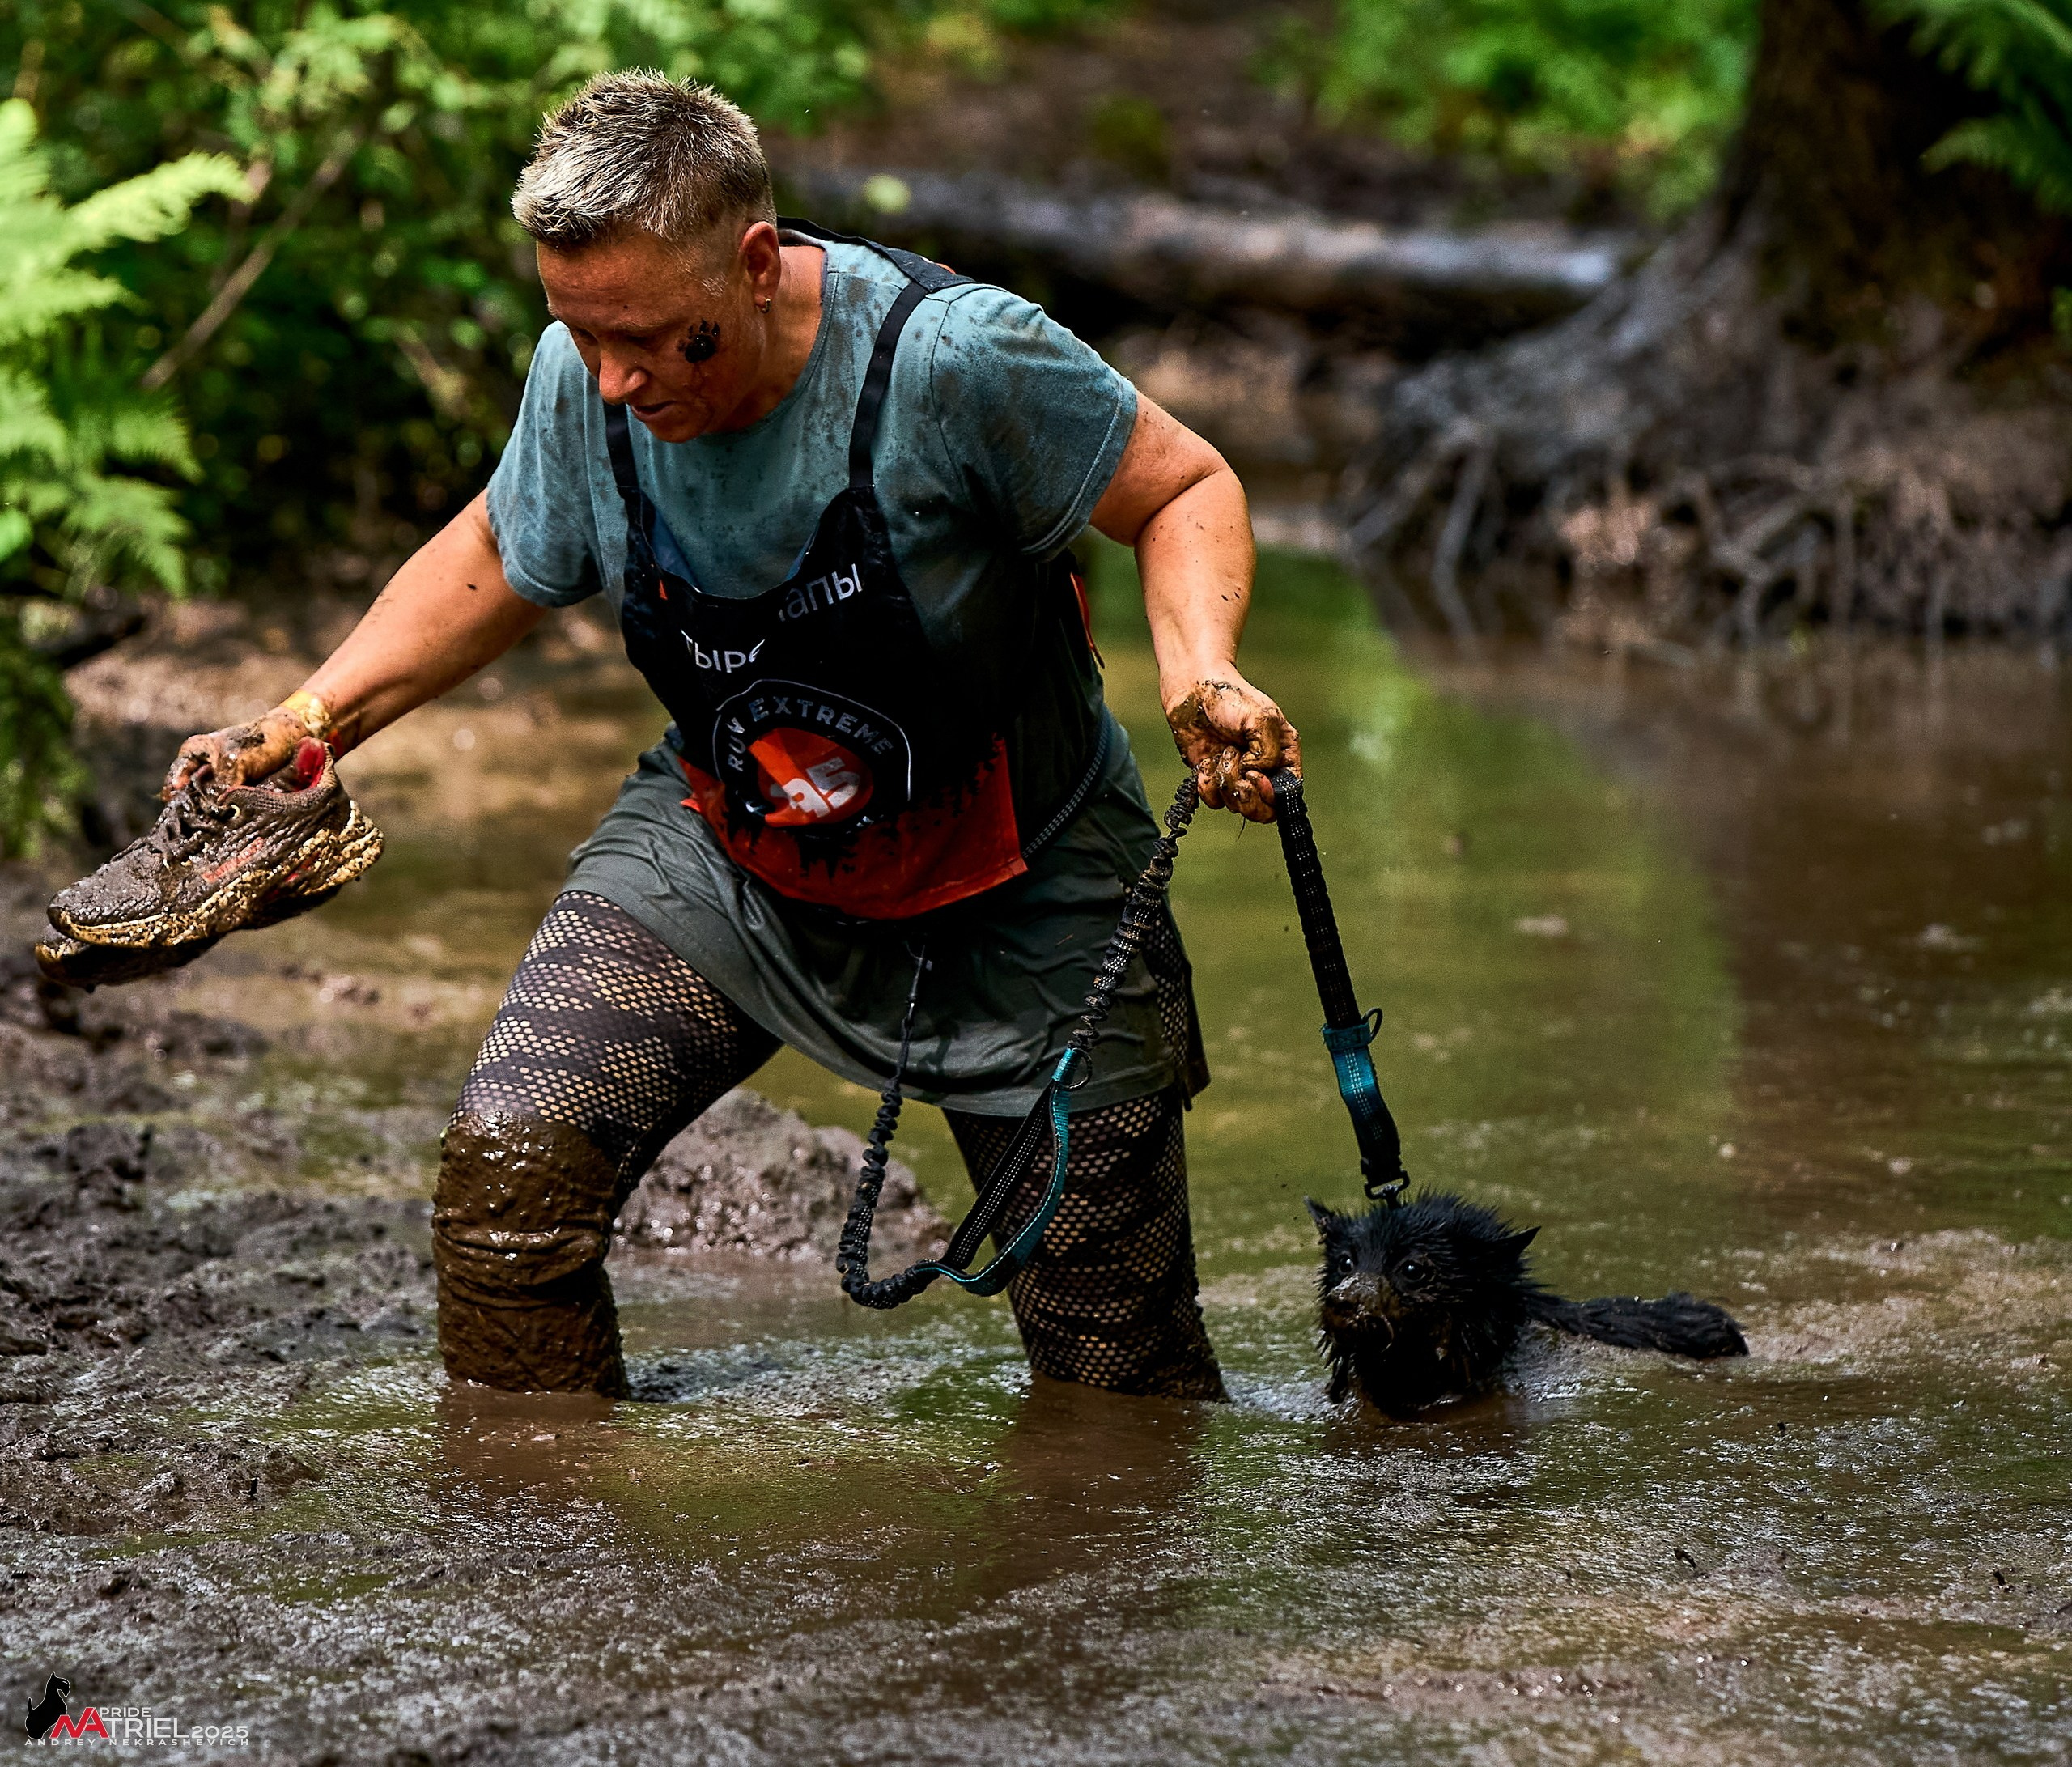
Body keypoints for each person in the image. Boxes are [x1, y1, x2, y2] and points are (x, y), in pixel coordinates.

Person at [166, 71, 1300, 1402]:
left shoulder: (957, 360)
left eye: (651, 335)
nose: (612, 379)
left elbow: (1184, 487)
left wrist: (1200, 671)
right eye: (579, 333)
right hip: (731, 849)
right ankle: (545, 1555)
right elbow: (501, 546)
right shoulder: (589, 379)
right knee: (507, 1172)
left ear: (755, 266)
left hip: (1026, 878)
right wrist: (313, 718)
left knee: (1120, 1381)